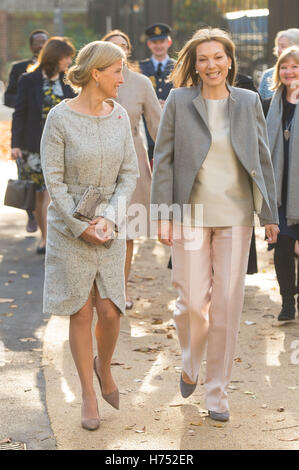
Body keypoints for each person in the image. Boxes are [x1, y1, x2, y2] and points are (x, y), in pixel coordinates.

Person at [151, 28, 279, 422]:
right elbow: (165, 160)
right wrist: (162, 213)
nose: (212, 65)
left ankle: (217, 393)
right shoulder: (178, 100)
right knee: (191, 301)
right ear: (194, 64)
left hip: (236, 217)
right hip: (190, 215)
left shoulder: (248, 100)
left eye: (218, 57)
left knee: (226, 305)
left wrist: (269, 214)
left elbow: (261, 157)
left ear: (229, 60)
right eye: (203, 58)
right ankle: (190, 362)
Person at [40, 41, 139, 431]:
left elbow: (129, 173)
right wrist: (82, 226)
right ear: (96, 73)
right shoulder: (59, 118)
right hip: (70, 229)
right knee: (81, 310)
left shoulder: (120, 116)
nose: (122, 78)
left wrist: (110, 219)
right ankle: (87, 392)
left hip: (109, 226)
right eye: (117, 70)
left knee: (111, 310)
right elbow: (55, 180)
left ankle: (104, 365)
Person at [102, 29, 161, 309]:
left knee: (125, 231)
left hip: (131, 161)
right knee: (97, 228)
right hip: (96, 162)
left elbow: (158, 128)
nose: (119, 50)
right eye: (112, 46)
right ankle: (97, 289)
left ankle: (121, 290)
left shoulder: (140, 83)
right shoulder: (91, 78)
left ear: (128, 51)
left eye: (123, 46)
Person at [11, 37, 76, 254]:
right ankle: (44, 236)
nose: (69, 60)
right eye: (67, 56)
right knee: (38, 196)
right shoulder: (28, 80)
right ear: (55, 57)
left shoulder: (68, 80)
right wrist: (15, 144)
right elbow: (19, 113)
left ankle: (51, 239)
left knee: (51, 194)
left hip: (62, 146)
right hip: (33, 146)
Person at [265, 46, 299, 322]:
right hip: (280, 189)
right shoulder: (272, 101)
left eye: (295, 66)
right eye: (284, 66)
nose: (289, 71)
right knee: (283, 248)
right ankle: (288, 302)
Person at [5, 29, 49, 233]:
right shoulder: (20, 69)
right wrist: (28, 103)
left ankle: (44, 222)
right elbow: (8, 97)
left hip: (47, 136)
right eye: (37, 42)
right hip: (27, 133)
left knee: (45, 185)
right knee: (27, 181)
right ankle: (31, 215)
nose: (40, 45)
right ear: (31, 45)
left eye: (44, 42)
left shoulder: (56, 70)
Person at [139, 23, 175, 163]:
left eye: (162, 41)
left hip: (170, 128)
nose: (158, 46)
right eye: (155, 42)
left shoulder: (178, 67)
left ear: (169, 42)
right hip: (147, 130)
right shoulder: (140, 68)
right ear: (149, 44)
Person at [259, 28, 299, 100]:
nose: (279, 50)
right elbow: (260, 105)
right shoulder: (267, 75)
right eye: (278, 46)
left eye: (283, 46)